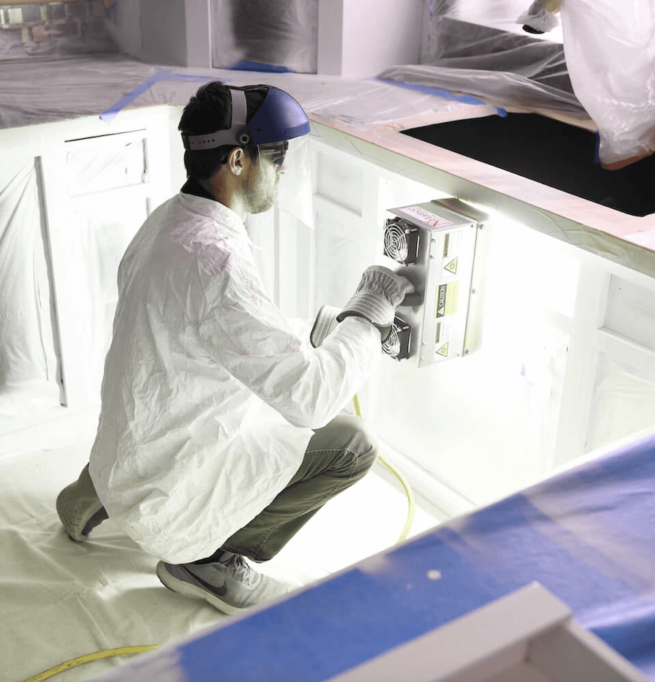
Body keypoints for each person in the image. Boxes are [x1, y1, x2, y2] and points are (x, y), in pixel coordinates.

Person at [55, 81, 413, 615]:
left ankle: (90, 495)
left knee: (229, 412)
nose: (286, 169)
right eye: (279, 155)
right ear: (240, 159)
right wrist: (368, 313)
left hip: (123, 459)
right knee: (354, 444)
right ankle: (204, 561)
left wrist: (305, 334)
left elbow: (195, 335)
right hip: (169, 496)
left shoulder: (169, 222)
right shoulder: (217, 260)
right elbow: (311, 399)